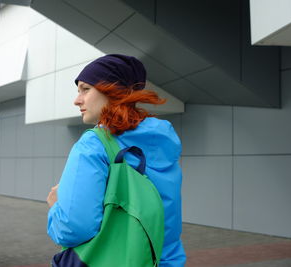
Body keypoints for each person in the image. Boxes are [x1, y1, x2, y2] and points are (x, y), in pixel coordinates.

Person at [46, 54, 186, 266]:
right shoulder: (163, 142)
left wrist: (56, 207)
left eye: (85, 89)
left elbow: (73, 228)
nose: (77, 100)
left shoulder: (94, 144)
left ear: (112, 90)